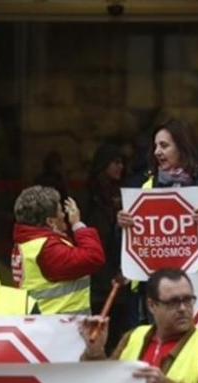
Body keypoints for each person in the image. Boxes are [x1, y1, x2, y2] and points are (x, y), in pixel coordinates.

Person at [118, 118, 198, 272]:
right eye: (155, 146)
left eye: (164, 146)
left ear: (183, 147)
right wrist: (124, 225)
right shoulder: (148, 188)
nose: (157, 152)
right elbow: (134, 245)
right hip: (161, 286)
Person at [11, 185, 105, 314]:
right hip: (58, 326)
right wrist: (78, 225)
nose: (64, 215)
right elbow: (94, 257)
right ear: (50, 222)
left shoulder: (28, 242)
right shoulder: (48, 249)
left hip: (44, 323)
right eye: (61, 211)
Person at [82, 143, 136, 352]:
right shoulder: (91, 198)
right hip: (99, 275)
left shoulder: (125, 195)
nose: (120, 167)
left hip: (121, 272)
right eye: (115, 162)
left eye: (122, 162)